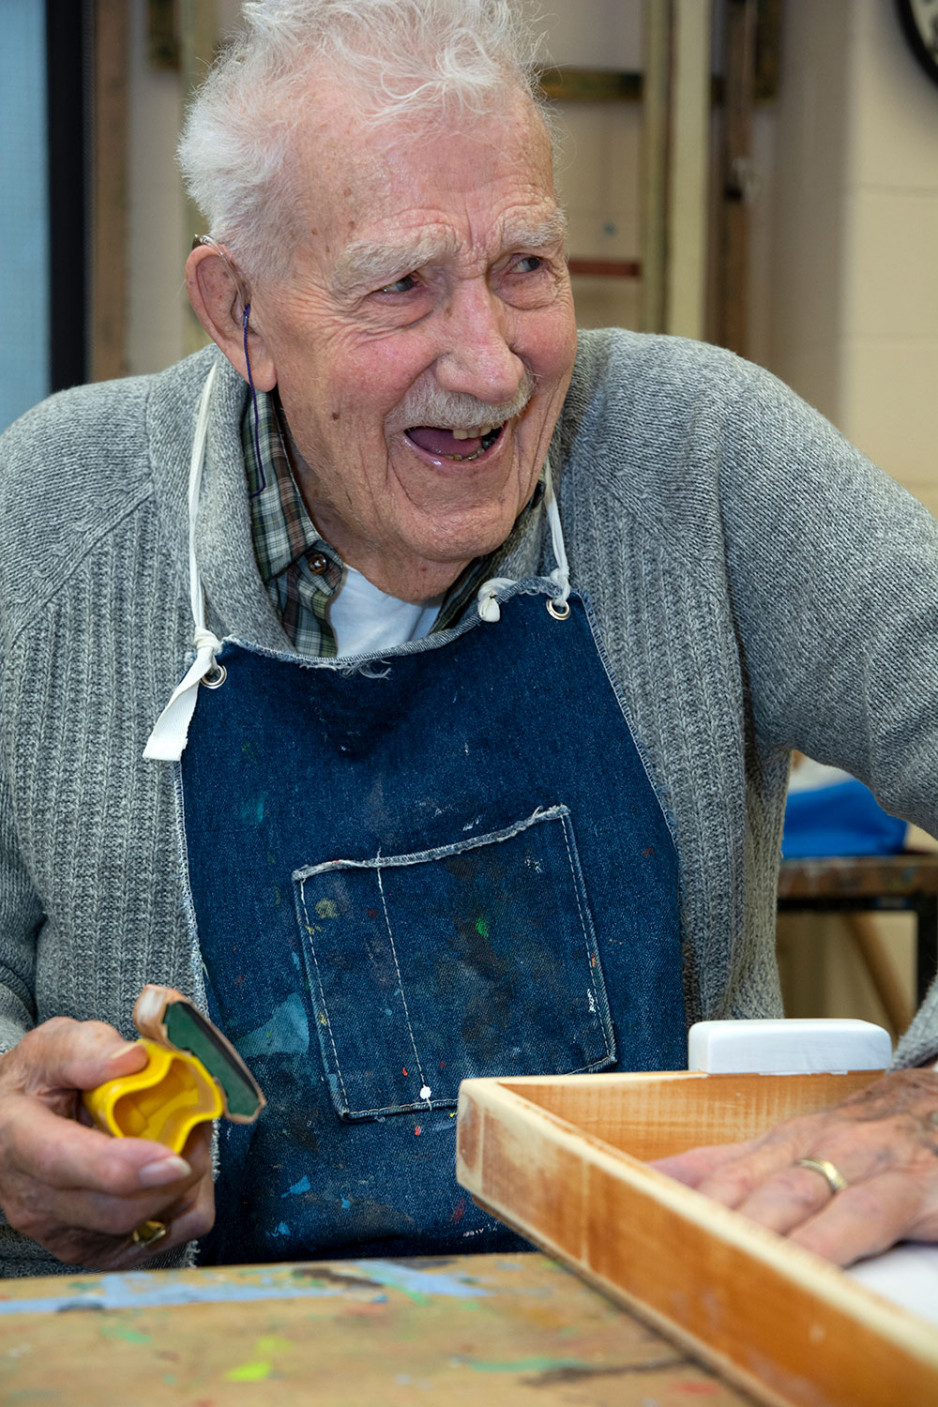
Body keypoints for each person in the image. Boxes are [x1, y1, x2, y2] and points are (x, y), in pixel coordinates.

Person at [0, 0, 936, 1279]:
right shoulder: (49, 521)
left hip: (660, 1333)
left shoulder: (706, 461)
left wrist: (927, 1102)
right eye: (402, 284)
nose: (492, 366)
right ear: (240, 315)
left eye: (525, 268)